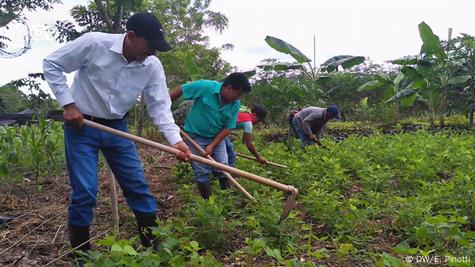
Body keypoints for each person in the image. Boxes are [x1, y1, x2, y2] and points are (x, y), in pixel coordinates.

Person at [43, 12, 191, 251]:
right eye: (150, 45)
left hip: (117, 129)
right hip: (82, 127)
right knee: (85, 193)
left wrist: (175, 141)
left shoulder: (151, 65)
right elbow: (52, 64)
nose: (153, 52)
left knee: (137, 187)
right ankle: (82, 255)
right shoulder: (94, 43)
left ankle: (153, 247)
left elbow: (159, 107)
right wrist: (68, 105)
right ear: (131, 37)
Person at [169, 73, 251, 199]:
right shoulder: (205, 86)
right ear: (229, 87)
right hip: (194, 136)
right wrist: (163, 109)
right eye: (238, 94)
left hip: (216, 138)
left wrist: (212, 145)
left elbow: (228, 128)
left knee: (223, 168)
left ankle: (227, 200)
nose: (238, 98)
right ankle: (208, 204)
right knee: (201, 172)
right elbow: (181, 89)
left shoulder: (235, 104)